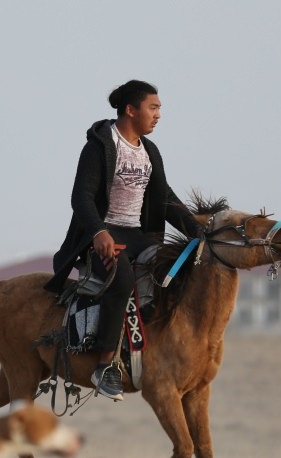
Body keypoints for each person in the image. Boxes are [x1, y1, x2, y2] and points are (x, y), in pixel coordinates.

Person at [45, 80, 201, 401]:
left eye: (160, 109)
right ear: (131, 110)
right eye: (153, 108)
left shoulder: (150, 151)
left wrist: (198, 230)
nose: (158, 115)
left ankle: (158, 351)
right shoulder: (99, 146)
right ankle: (105, 366)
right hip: (101, 235)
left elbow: (165, 199)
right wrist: (98, 233)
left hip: (138, 236)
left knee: (175, 268)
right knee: (123, 277)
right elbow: (82, 198)